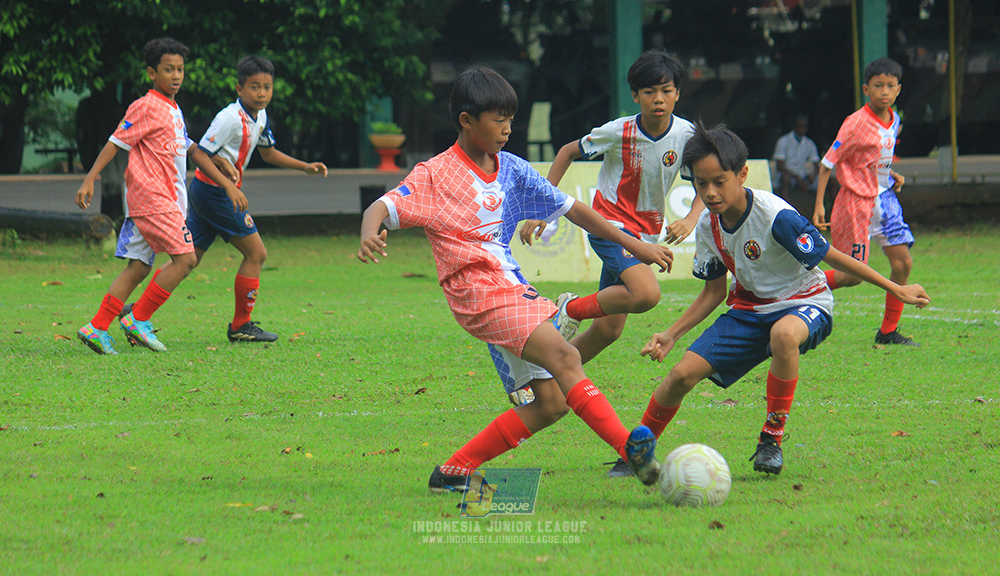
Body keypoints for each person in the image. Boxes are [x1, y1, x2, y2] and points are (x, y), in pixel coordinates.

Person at [357, 67, 676, 492]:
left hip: (511, 286)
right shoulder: (435, 174)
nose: (508, 129)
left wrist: (635, 246)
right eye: (498, 119)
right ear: (467, 120)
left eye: (511, 119)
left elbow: (572, 209)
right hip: (476, 292)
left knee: (551, 404)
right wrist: (369, 231)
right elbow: (381, 207)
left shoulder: (511, 168)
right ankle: (628, 448)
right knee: (566, 358)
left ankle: (452, 471)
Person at [639, 123, 930, 475]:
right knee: (681, 376)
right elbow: (714, 292)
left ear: (742, 174)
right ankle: (638, 449)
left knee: (784, 334)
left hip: (806, 303)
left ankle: (771, 439)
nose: (711, 192)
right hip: (749, 310)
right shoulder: (708, 227)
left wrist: (895, 287)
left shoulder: (775, 215)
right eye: (702, 184)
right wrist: (672, 334)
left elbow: (831, 255)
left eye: (719, 181)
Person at [519, 51, 704, 475]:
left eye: (667, 90)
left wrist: (691, 217)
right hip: (608, 225)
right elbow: (567, 151)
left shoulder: (688, 135)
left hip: (648, 231)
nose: (659, 99)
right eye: (649, 91)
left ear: (677, 94)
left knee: (609, 329)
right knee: (646, 293)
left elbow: (703, 177)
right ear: (636, 96)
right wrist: (542, 206)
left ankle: (544, 380)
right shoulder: (618, 132)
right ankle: (568, 309)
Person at [75, 37, 247, 355]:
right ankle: (138, 319)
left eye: (180, 69)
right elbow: (115, 142)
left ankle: (96, 327)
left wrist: (221, 168)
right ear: (152, 73)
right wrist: (90, 179)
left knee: (138, 267)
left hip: (158, 202)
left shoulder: (173, 109)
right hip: (154, 199)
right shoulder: (145, 106)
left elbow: (190, 147)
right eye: (169, 69)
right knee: (186, 259)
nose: (176, 75)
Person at [185, 55, 328, 343]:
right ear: (239, 89)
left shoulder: (259, 116)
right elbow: (200, 153)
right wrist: (229, 186)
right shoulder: (228, 118)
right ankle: (241, 325)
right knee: (257, 253)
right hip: (215, 193)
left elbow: (268, 152)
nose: (261, 93)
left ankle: (137, 312)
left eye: (267, 87)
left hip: (206, 191)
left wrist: (305, 166)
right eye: (254, 87)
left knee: (187, 260)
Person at [812, 58, 919, 346]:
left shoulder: (894, 118)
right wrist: (819, 204)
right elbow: (827, 164)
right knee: (852, 276)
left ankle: (887, 332)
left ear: (898, 90)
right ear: (866, 89)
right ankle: (799, 286)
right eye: (878, 86)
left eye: (890, 86)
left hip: (885, 201)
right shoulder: (855, 123)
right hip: (855, 203)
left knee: (903, 263)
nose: (884, 91)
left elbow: (873, 160)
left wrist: (890, 173)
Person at [772, 113, 819, 200]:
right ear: (794, 126)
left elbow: (817, 165)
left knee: (831, 181)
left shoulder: (809, 143)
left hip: (803, 175)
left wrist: (813, 176)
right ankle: (786, 207)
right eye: (799, 126)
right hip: (789, 175)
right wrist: (797, 178)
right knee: (785, 179)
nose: (802, 129)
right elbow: (780, 166)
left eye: (804, 126)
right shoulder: (783, 141)